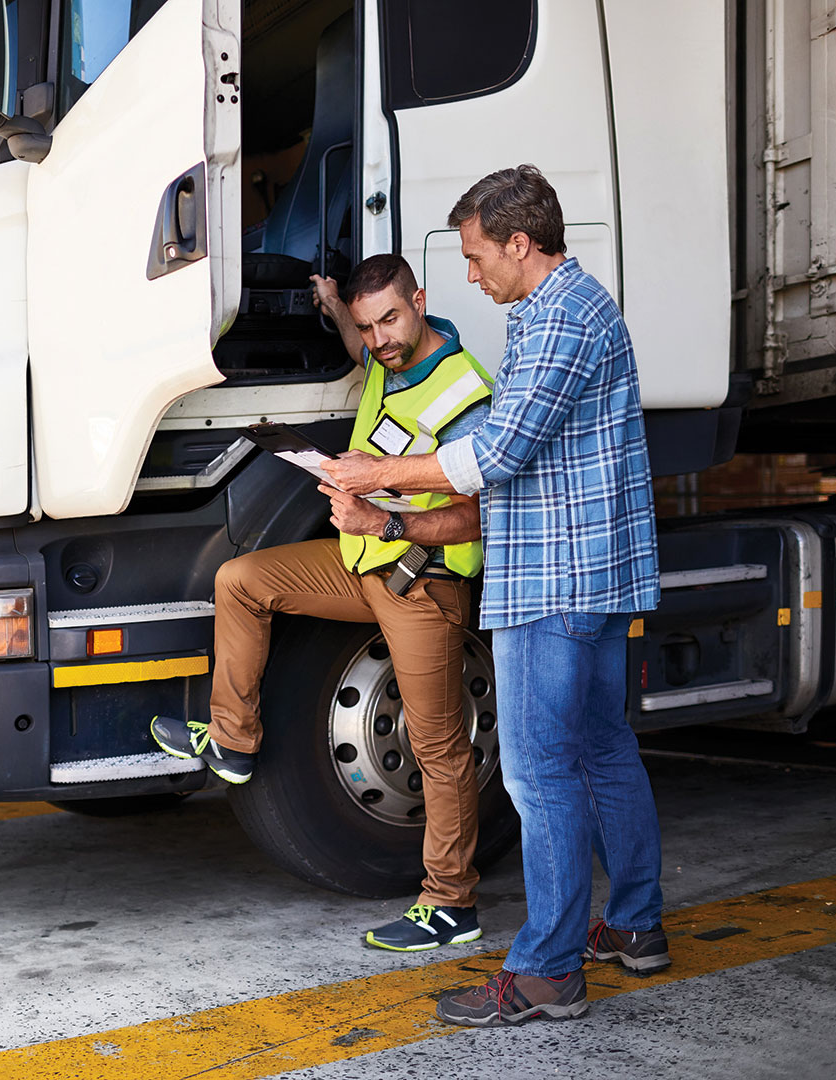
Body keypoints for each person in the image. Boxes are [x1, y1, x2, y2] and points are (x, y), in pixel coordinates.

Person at [320, 165, 667, 1026]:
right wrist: (392, 513)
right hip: (586, 573)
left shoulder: (557, 319)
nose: (471, 278)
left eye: (478, 258)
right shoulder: (574, 311)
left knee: (541, 774)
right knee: (602, 748)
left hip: (554, 580)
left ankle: (547, 972)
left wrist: (378, 473)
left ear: (521, 243)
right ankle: (633, 926)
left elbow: (493, 456)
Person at [151, 254, 497, 951]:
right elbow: (356, 342)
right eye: (369, 328)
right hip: (364, 565)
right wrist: (336, 305)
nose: (379, 341)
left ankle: (451, 903)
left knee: (438, 749)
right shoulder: (383, 358)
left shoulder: (464, 394)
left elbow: (478, 518)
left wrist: (387, 521)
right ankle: (234, 742)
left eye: (390, 321)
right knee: (241, 581)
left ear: (421, 302)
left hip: (421, 584)